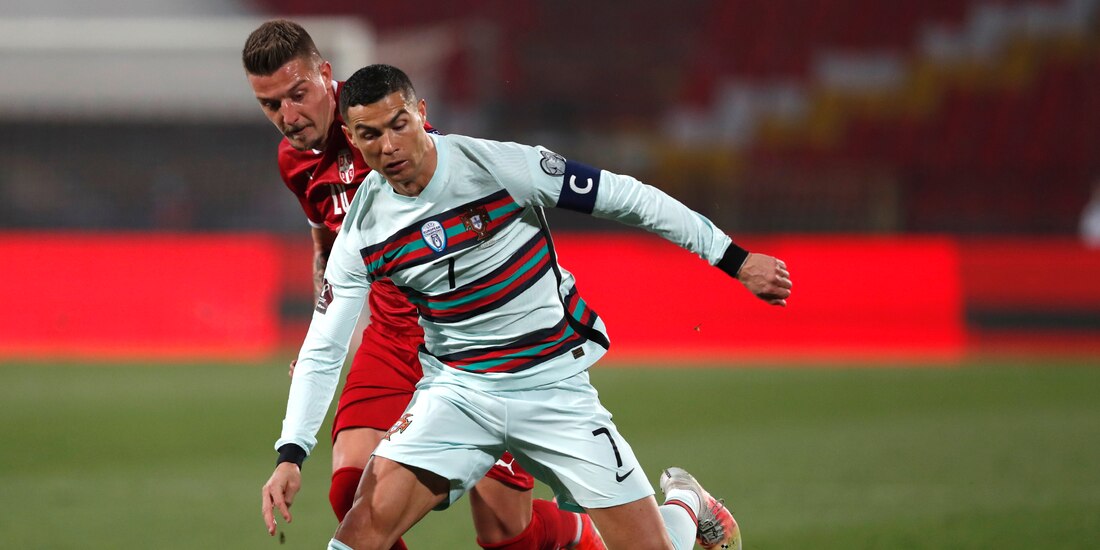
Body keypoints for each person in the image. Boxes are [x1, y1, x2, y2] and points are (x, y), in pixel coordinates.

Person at [266, 63, 792, 550]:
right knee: (358, 533)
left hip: (552, 389)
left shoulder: (502, 166)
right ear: (354, 141)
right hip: (458, 394)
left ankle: (685, 505)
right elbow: (324, 345)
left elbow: (631, 197)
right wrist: (291, 453)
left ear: (421, 112)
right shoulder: (365, 227)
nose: (389, 145)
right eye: (371, 135)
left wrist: (735, 259)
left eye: (399, 124)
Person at [244, 21, 605, 550]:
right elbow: (327, 238)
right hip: (392, 335)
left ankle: (605, 531)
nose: (289, 118)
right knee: (350, 493)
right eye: (271, 105)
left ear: (326, 76)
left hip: (466, 338)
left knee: (506, 533)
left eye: (298, 95)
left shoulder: (381, 120)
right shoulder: (293, 163)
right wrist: (324, 329)